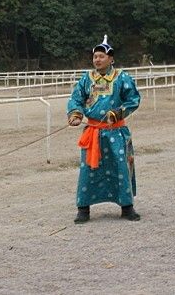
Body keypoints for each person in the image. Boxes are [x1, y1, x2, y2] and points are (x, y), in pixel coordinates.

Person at [67, 35, 141, 224]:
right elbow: (76, 98)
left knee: (121, 167)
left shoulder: (122, 78)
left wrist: (118, 113)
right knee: (88, 170)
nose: (97, 60)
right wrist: (76, 114)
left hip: (115, 132)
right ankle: (83, 208)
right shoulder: (86, 79)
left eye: (101, 56)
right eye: (95, 57)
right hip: (93, 133)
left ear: (111, 59)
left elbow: (133, 100)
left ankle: (127, 207)